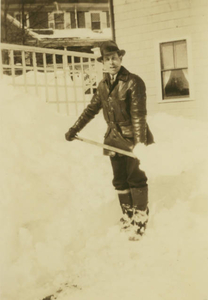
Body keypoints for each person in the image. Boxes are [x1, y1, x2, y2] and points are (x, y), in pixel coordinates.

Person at [65, 41, 154, 237]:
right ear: (103, 63)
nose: (111, 62)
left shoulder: (134, 82)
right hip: (113, 139)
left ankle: (140, 216)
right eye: (107, 59)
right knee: (120, 180)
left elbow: (139, 115)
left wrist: (140, 145)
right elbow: (91, 110)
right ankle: (128, 214)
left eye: (114, 57)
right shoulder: (103, 86)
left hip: (133, 139)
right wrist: (74, 128)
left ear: (121, 58)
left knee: (136, 178)